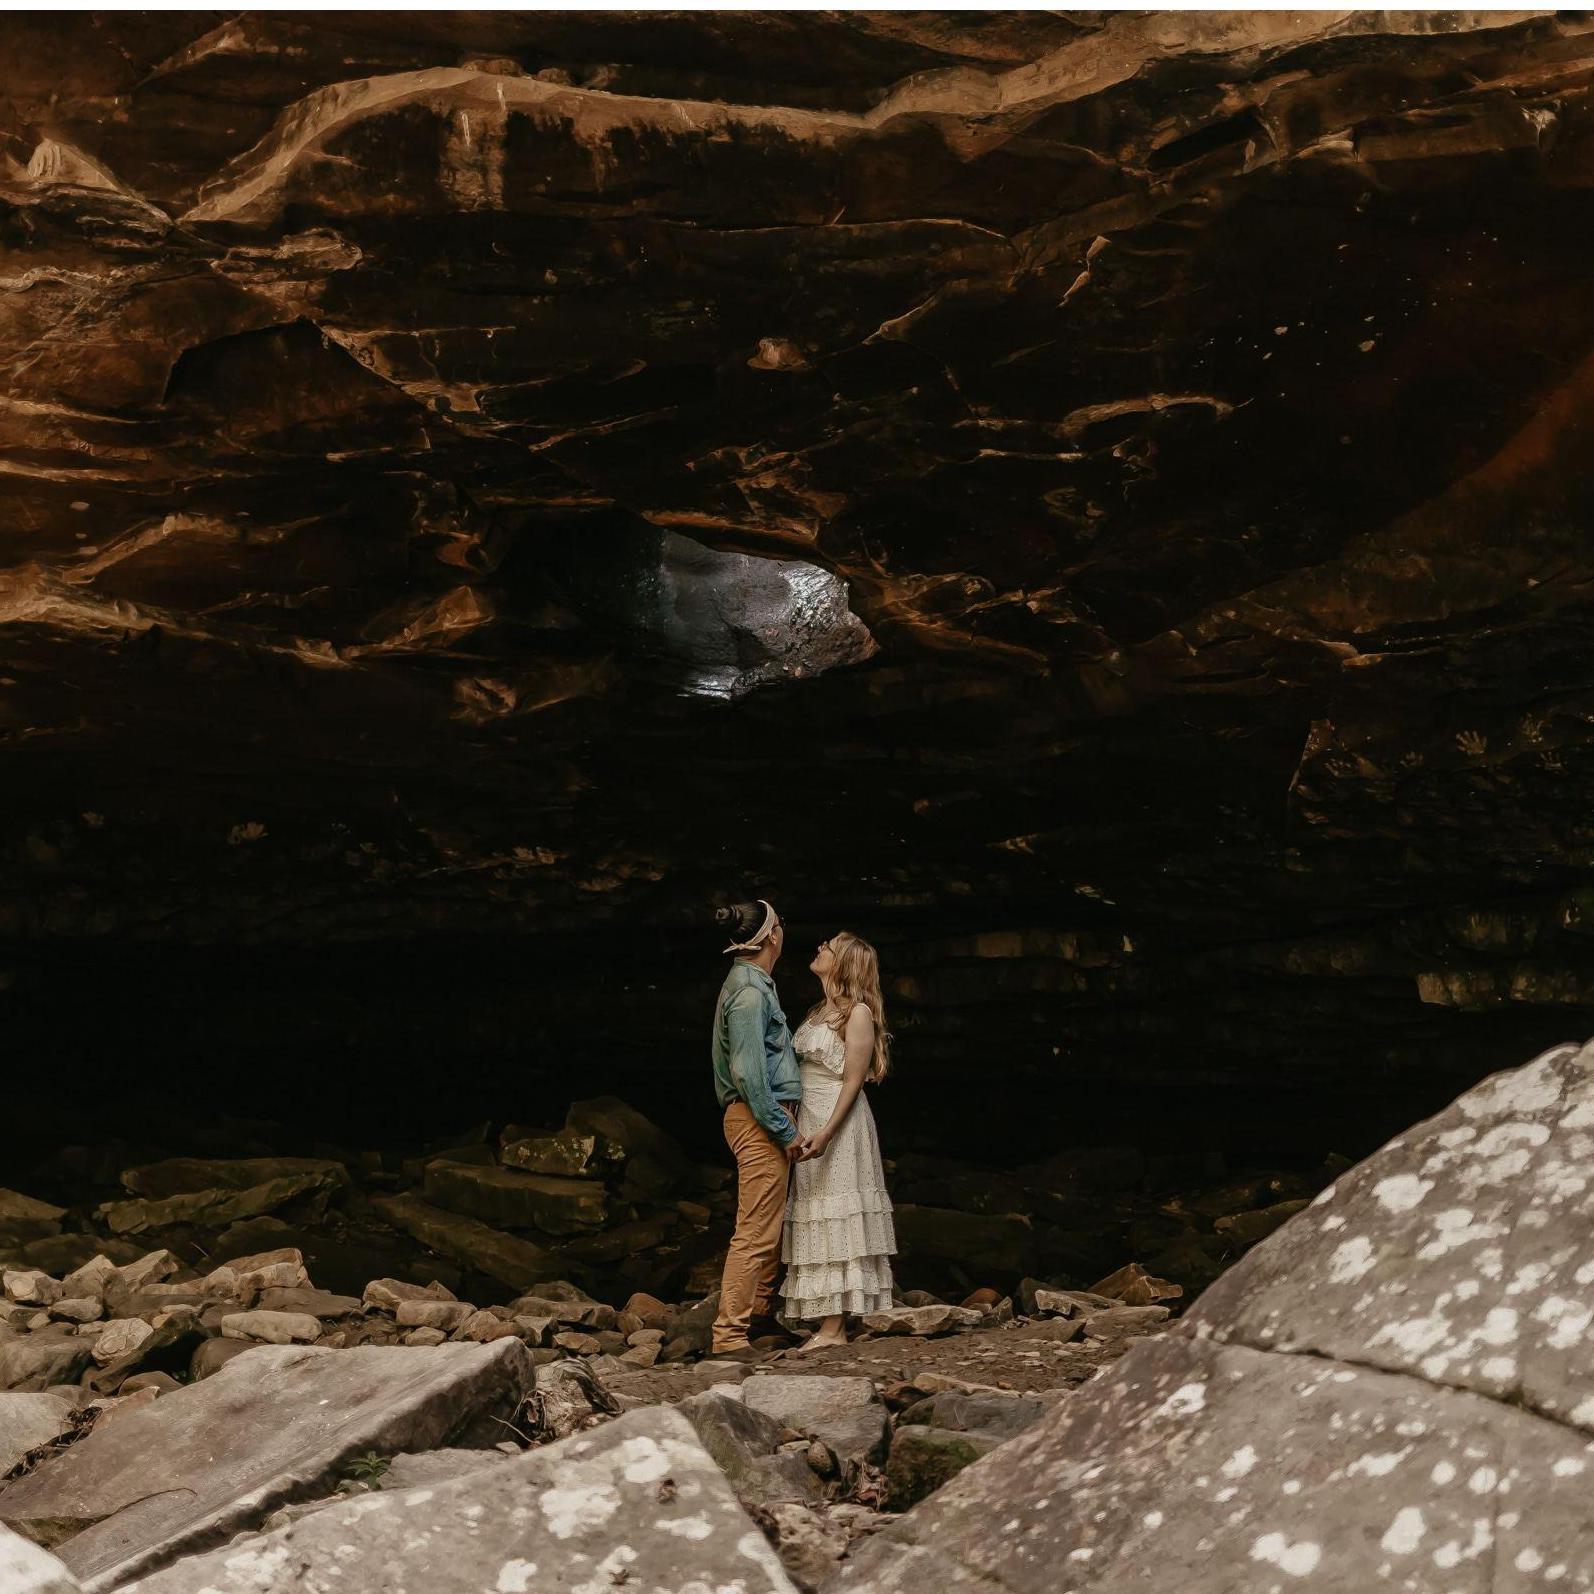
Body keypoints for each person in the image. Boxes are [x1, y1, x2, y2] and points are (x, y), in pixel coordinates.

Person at [781, 930, 896, 1350]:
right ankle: (829, 1319)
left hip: (839, 1119)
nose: (819, 948)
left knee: (838, 1210)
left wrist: (827, 1131)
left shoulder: (857, 1013)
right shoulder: (818, 1011)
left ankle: (835, 1329)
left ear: (845, 961)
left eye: (827, 946)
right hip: (810, 1115)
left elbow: (852, 1080)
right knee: (816, 1211)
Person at [710, 898, 804, 1357]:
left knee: (769, 1225)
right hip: (757, 1119)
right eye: (781, 924)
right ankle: (729, 1337)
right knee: (755, 1230)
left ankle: (761, 1314)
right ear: (771, 936)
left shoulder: (755, 985)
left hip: (761, 1118)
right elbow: (748, 1075)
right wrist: (785, 1129)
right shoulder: (749, 993)